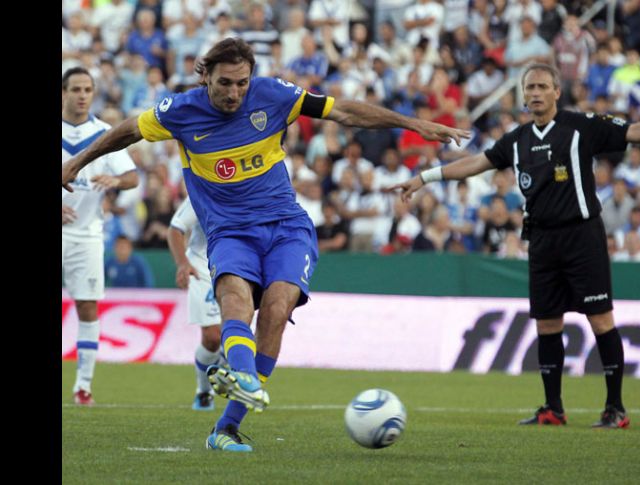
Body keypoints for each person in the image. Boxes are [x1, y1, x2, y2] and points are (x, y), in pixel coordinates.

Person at [62, 38, 468, 451]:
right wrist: (76, 163)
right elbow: (127, 131)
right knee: (235, 303)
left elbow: (342, 110)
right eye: (225, 83)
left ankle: (226, 425)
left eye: (242, 83)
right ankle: (240, 372)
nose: (234, 93)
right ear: (205, 77)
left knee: (275, 310)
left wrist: (412, 124)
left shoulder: (274, 95)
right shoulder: (180, 111)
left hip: (286, 228)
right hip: (229, 231)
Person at [389, 63, 640, 429]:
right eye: (530, 87)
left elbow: (632, 131)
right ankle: (552, 408)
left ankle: (615, 408)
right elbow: (479, 162)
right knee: (547, 323)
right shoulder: (517, 138)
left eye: (542, 86)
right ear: (524, 95)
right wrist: (425, 177)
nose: (536, 92)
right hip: (540, 239)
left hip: (582, 236)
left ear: (557, 91)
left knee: (601, 319)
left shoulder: (580, 126)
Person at [61, 67, 139, 406]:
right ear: (63, 93)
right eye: (75, 88)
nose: (82, 95)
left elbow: (132, 176)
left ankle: (83, 386)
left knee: (88, 306)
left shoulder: (104, 134)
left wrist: (116, 182)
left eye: (87, 89)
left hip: (88, 235)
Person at [167, 197, 228, 411]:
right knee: (212, 337)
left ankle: (226, 366)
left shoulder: (248, 192)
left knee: (235, 334)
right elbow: (175, 229)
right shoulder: (200, 194)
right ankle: (204, 391)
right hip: (202, 265)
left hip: (237, 265)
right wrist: (182, 264)